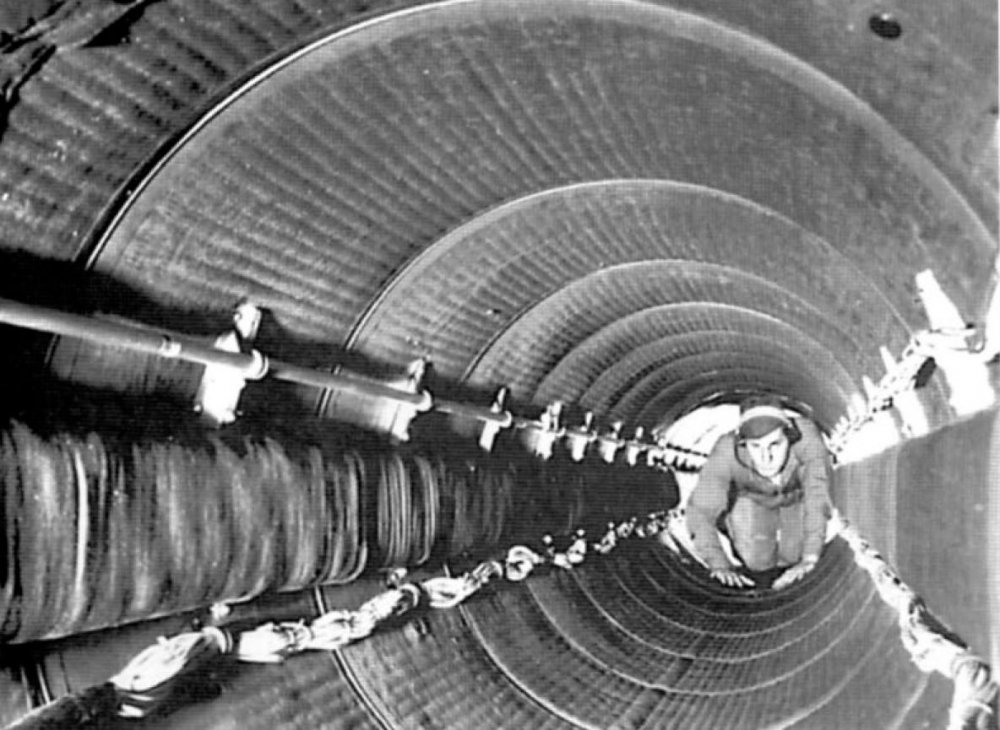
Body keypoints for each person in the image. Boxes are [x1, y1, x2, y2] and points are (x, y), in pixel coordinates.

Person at [685, 394, 832, 590]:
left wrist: (810, 558)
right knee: (756, 561)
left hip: (795, 499)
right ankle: (734, 530)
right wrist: (719, 564)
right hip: (751, 499)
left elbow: (817, 496)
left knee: (794, 556)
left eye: (775, 444)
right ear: (743, 443)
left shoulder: (808, 441)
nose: (766, 457)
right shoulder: (726, 451)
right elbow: (700, 510)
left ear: (789, 438)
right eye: (755, 446)